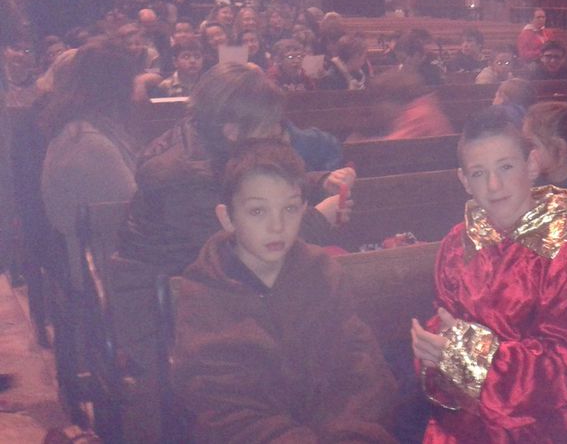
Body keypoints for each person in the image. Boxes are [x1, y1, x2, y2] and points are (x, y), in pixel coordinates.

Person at [410, 107, 567, 442]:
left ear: (532, 165)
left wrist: (468, 355)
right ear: (464, 181)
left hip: (538, 429)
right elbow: (446, 321)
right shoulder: (457, 244)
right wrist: (433, 348)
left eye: (506, 167)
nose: (494, 185)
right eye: (478, 173)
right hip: (461, 425)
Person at [173, 139, 397, 442]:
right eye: (257, 212)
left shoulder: (323, 273)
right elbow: (225, 409)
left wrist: (348, 435)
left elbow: (359, 373)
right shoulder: (204, 293)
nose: (277, 226)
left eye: (289, 209)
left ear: (304, 210)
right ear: (228, 218)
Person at [119, 62, 348, 275]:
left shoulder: (213, 142)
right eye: (269, 126)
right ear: (233, 131)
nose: (278, 133)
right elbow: (241, 256)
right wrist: (318, 219)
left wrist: (321, 182)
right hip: (172, 296)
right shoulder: (188, 177)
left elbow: (257, 187)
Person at [41, 37, 139, 287]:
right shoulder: (88, 144)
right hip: (104, 275)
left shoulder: (84, 127)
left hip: (106, 256)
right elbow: (134, 216)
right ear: (117, 88)